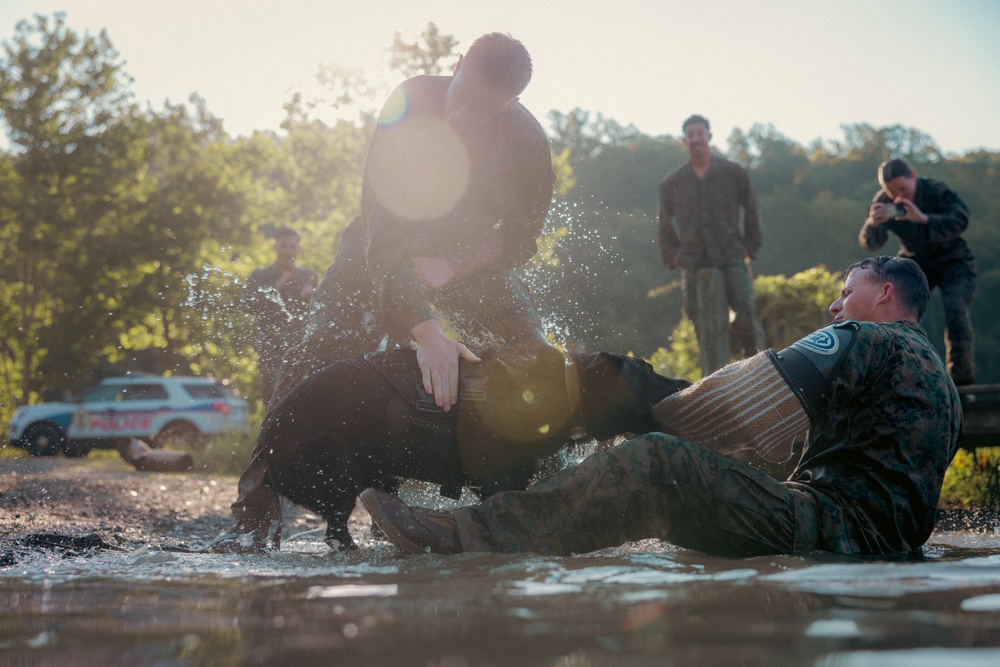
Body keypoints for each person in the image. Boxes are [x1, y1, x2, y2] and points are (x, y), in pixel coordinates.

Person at [361, 256, 962, 558]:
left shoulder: (867, 338)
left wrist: (643, 410)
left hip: (832, 529)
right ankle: (520, 535)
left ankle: (464, 535)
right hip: (882, 543)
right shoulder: (943, 387)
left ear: (884, 292)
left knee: (655, 462)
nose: (835, 307)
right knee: (669, 491)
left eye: (847, 290)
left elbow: (746, 398)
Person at [209, 33, 556, 552]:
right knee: (318, 351)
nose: (462, 115)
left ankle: (528, 506)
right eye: (461, 96)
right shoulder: (409, 102)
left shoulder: (527, 142)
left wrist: (454, 264)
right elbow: (383, 236)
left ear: (511, 105)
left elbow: (523, 237)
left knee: (536, 361)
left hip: (468, 257)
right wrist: (425, 330)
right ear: (456, 64)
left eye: (483, 111)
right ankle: (256, 506)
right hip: (381, 243)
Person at [658, 114, 765, 377]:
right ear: (684, 140)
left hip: (730, 254)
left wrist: (750, 246)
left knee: (746, 315)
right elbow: (663, 222)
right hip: (693, 260)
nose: (696, 139)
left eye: (700, 133)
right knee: (699, 321)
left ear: (709, 136)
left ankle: (756, 373)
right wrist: (673, 256)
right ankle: (715, 382)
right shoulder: (674, 181)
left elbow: (751, 209)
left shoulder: (732, 173)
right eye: (690, 135)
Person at [859, 158, 976, 385]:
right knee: (894, 309)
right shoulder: (883, 202)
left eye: (903, 189)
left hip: (954, 260)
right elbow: (870, 244)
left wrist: (923, 218)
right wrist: (872, 224)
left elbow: (961, 219)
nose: (897, 196)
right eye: (891, 191)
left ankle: (962, 382)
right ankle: (901, 378)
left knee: (955, 311)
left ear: (913, 175)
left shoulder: (935, 189)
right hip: (916, 259)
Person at [242, 227, 317, 407]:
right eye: (284, 246)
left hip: (300, 347)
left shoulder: (308, 276)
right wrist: (276, 287)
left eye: (292, 247)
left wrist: (314, 295)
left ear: (298, 249)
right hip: (271, 348)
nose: (288, 251)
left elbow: (324, 308)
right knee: (273, 398)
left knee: (302, 397)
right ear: (275, 247)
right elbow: (247, 305)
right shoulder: (261, 276)